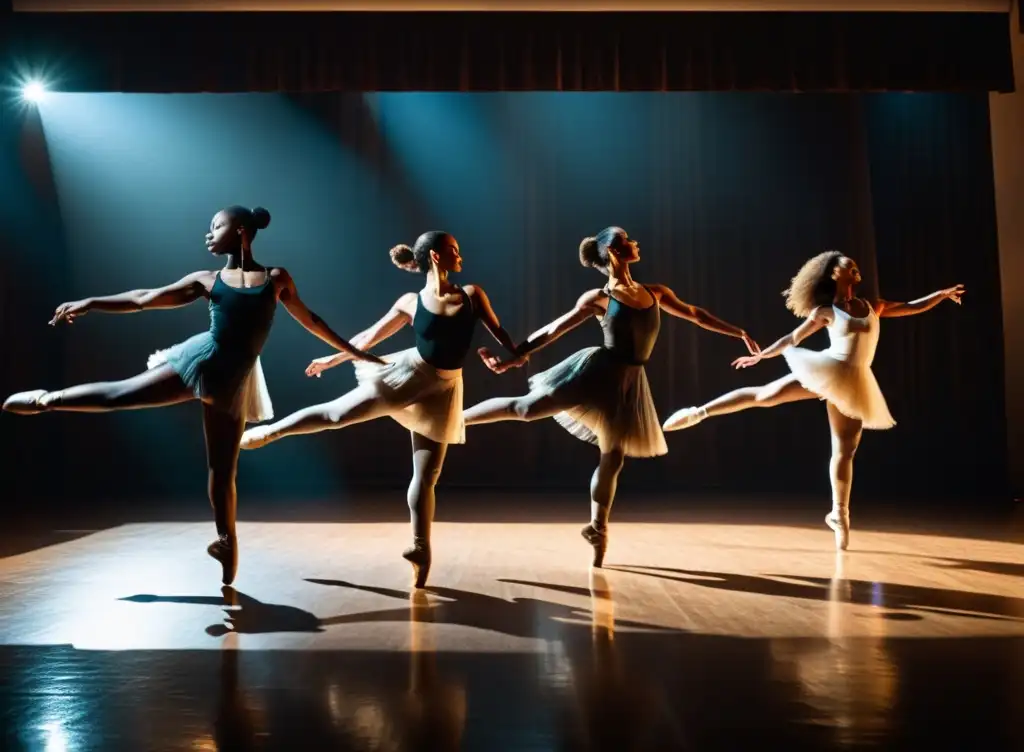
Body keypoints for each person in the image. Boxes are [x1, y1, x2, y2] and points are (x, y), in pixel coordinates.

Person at [2, 205, 383, 584]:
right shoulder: (207, 280)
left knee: (222, 469)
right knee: (121, 395)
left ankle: (225, 541)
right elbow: (143, 298)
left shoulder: (277, 278)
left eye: (215, 226)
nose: (208, 233)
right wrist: (91, 303)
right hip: (201, 361)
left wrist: (355, 353)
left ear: (240, 232)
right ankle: (46, 400)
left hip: (233, 380)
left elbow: (313, 321)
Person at [464, 226, 759, 567]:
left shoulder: (656, 292)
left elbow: (694, 313)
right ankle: (458, 418)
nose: (635, 242)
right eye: (627, 239)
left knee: (613, 457)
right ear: (614, 251)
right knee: (528, 409)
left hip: (629, 382)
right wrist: (517, 353)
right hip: (597, 372)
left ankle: (597, 527)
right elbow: (554, 329)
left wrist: (737, 331)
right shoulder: (599, 298)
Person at [239, 231, 520, 588]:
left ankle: (420, 549)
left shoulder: (472, 295)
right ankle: (269, 432)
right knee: (337, 415)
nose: (460, 256)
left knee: (427, 475)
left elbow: (502, 333)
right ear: (435, 256)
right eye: (453, 250)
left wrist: (516, 353)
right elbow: (368, 338)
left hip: (445, 389)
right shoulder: (410, 302)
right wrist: (332, 359)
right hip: (408, 376)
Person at [662, 250, 965, 550]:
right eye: (850, 264)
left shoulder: (873, 306)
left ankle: (839, 514)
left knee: (844, 450)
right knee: (765, 395)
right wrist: (761, 356)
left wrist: (941, 294)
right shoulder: (826, 312)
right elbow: (792, 339)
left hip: (856, 381)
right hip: (829, 369)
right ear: (834, 273)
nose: (855, 266)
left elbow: (912, 306)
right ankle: (698, 412)